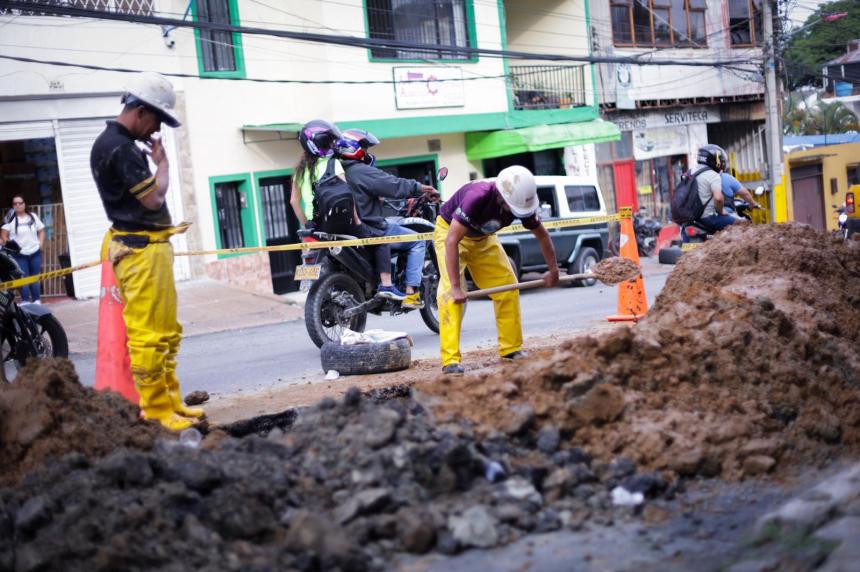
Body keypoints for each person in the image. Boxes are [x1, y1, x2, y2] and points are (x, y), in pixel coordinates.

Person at [89, 72, 202, 431]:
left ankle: (170, 402)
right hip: (139, 251)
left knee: (167, 330)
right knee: (148, 335)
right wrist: (161, 169)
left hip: (149, 248)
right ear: (139, 110)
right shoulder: (118, 147)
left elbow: (154, 196)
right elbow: (154, 198)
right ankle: (155, 410)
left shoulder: (122, 145)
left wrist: (163, 165)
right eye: (155, 120)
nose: (155, 130)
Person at [435, 165, 559, 375]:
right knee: (449, 295)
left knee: (508, 287)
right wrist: (456, 287)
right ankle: (450, 360)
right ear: (502, 196)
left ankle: (511, 349)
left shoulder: (521, 201)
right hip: (450, 234)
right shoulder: (478, 196)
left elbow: (543, 236)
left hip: (484, 239)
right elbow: (452, 241)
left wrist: (553, 270)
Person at [292, 120, 405, 300]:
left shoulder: (300, 171)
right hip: (340, 223)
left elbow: (293, 202)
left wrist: (307, 223)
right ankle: (386, 285)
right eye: (329, 141)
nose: (332, 144)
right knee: (381, 237)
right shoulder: (333, 164)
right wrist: (357, 221)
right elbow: (347, 194)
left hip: (316, 227)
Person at [336, 128, 439, 309]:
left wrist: (376, 199)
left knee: (392, 226)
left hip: (346, 228)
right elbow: (393, 184)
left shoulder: (337, 172)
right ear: (354, 149)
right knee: (417, 241)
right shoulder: (361, 171)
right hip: (369, 225)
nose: (367, 152)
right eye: (365, 147)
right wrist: (423, 188)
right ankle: (411, 293)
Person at [0, 196, 46, 304]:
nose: (18, 205)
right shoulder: (9, 219)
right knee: (23, 278)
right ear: (12, 206)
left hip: (35, 252)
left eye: (20, 203)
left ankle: (36, 300)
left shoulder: (33, 217)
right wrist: (11, 246)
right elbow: (3, 235)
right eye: (15, 204)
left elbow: (41, 230)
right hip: (20, 254)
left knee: (35, 277)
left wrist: (41, 244)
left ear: (25, 204)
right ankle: (25, 301)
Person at [695, 144, 744, 231]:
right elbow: (718, 198)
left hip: (692, 218)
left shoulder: (690, 173)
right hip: (708, 217)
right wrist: (721, 211)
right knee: (742, 224)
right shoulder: (713, 175)